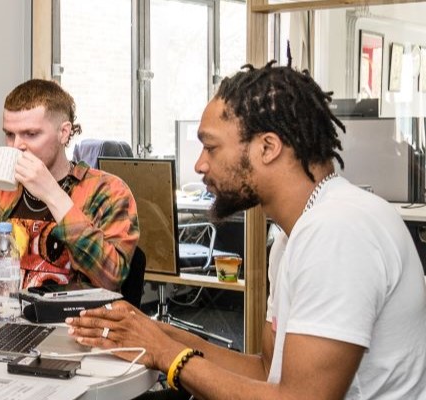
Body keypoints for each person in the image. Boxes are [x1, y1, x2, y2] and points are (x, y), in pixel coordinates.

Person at [67, 63, 426, 399]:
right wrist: (154, 331)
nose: (200, 163)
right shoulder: (292, 235)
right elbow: (266, 371)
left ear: (267, 147)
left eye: (211, 147)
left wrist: (166, 354)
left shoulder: (337, 231)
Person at [0, 79, 139, 291]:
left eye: (31, 134)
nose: (17, 146)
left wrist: (53, 194)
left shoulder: (107, 192)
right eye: (9, 134)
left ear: (63, 133)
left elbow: (111, 278)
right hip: (7, 319)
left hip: (76, 321)